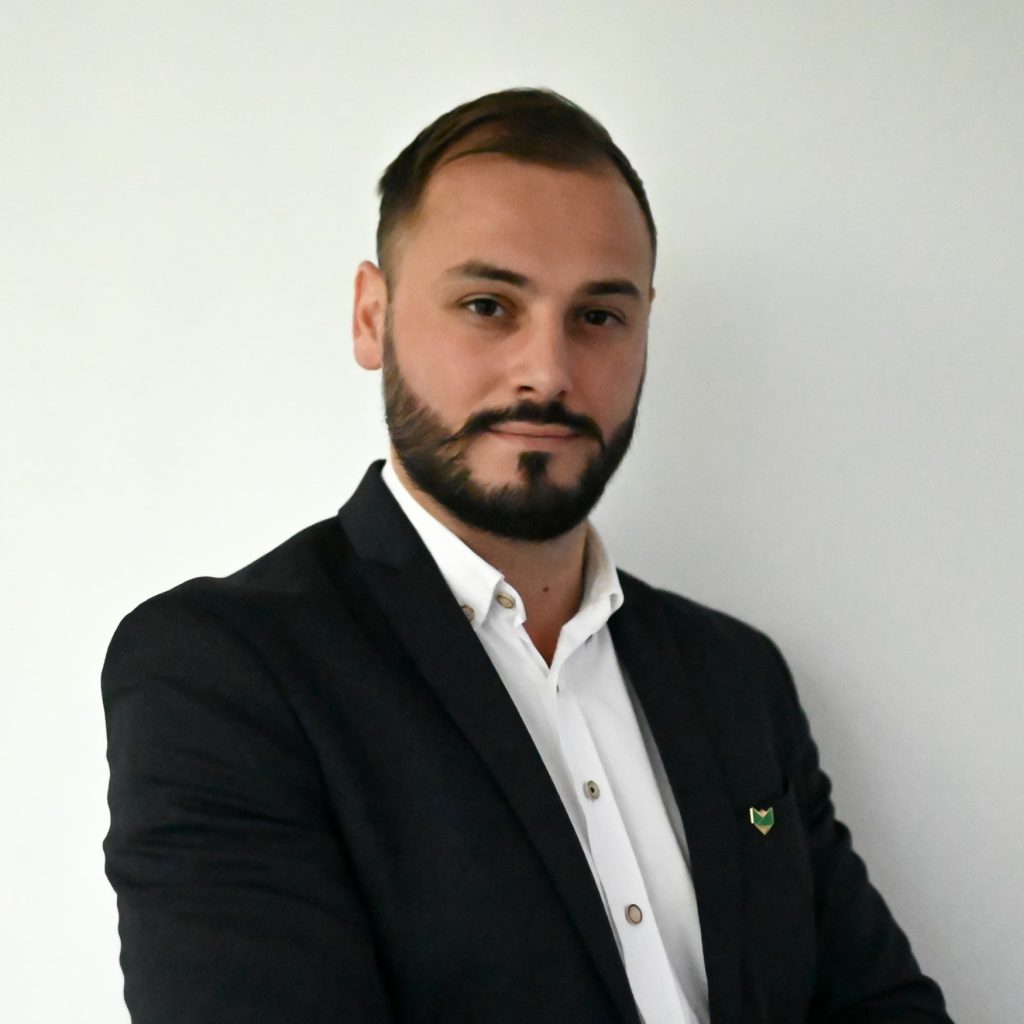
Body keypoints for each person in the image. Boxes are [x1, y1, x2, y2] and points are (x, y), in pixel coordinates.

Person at [102, 88, 953, 1024]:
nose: (548, 371)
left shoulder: (736, 677)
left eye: (598, 316)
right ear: (372, 317)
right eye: (488, 305)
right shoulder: (224, 671)